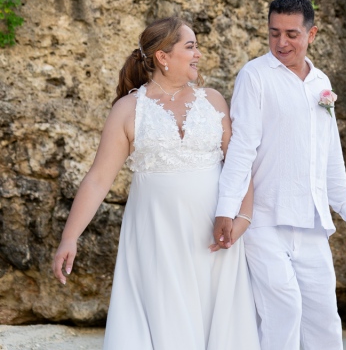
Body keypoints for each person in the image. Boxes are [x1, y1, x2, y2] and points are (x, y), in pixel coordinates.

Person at [52, 17, 260, 350]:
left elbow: (239, 167)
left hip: (214, 238)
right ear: (163, 56)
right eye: (190, 46)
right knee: (167, 323)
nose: (198, 54)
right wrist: (69, 237)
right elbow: (98, 179)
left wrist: (243, 220)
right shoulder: (128, 109)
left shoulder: (214, 101)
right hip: (157, 238)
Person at [213, 0, 346, 350]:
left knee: (324, 319)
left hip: (312, 223)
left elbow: (330, 159)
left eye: (291, 34)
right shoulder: (254, 76)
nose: (281, 43)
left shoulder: (321, 84)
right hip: (265, 220)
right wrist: (227, 207)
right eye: (274, 33)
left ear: (311, 35)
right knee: (283, 311)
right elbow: (241, 147)